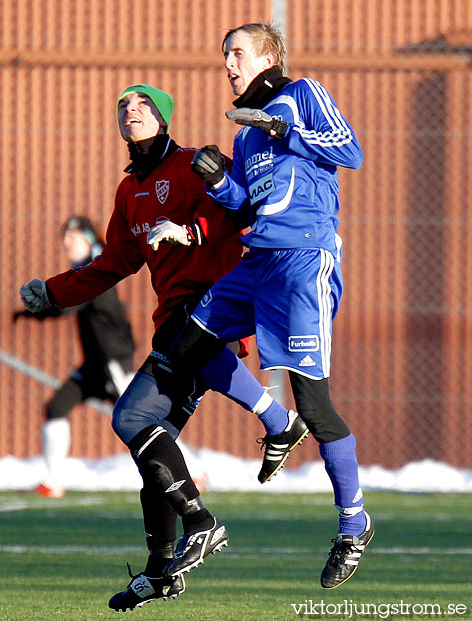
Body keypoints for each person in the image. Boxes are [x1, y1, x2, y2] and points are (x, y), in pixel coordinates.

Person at [18, 83, 308, 610]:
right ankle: (160, 571)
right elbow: (112, 265)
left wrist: (190, 229)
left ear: (164, 118)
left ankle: (207, 517)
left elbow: (237, 213)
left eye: (143, 105)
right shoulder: (129, 192)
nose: (131, 111)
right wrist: (53, 292)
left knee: (130, 419)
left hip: (213, 306)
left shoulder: (195, 163)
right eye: (123, 106)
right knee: (153, 448)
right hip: (173, 317)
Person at [163, 23, 374, 590]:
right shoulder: (244, 134)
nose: (227, 63)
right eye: (224, 55)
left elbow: (349, 150)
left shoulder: (302, 93)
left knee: (317, 400)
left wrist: (283, 126)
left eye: (237, 53)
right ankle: (278, 423)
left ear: (268, 57)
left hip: (305, 261)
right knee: (184, 348)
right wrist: (218, 181)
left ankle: (353, 525)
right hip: (258, 260)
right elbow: (243, 206)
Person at [13, 215, 136, 498]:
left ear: (89, 239)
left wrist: (38, 306)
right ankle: (53, 481)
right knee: (56, 408)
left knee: (139, 419)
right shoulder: (83, 270)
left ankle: (191, 472)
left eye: (73, 236)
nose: (66, 243)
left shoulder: (97, 269)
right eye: (64, 236)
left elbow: (69, 302)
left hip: (113, 362)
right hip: (94, 365)